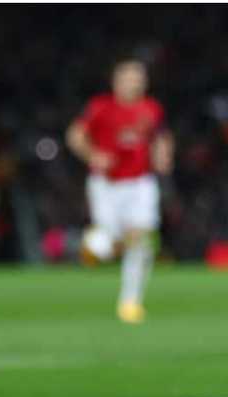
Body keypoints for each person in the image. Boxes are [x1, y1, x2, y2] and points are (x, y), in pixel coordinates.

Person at [66, 58, 174, 324]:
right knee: (108, 244)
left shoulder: (151, 108)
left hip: (141, 183)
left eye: (139, 78)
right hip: (106, 184)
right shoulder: (100, 107)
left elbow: (161, 136)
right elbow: (75, 135)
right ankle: (88, 242)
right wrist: (93, 155)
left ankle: (130, 302)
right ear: (116, 82)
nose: (134, 83)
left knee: (143, 239)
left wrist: (163, 155)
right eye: (129, 78)